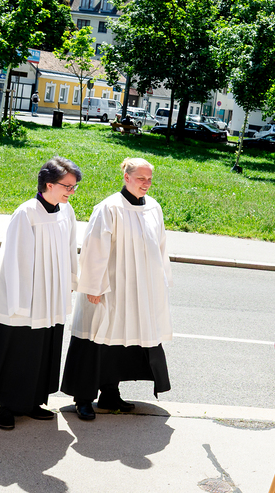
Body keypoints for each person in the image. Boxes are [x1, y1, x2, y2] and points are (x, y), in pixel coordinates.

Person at [0, 157, 82, 430]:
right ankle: (7, 406)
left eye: (74, 187)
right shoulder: (27, 213)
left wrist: (70, 281)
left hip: (52, 295)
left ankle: (33, 401)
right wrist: (20, 300)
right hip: (27, 297)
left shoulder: (66, 211)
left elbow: (71, 248)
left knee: (44, 348)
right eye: (67, 186)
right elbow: (15, 260)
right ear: (49, 184)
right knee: (19, 350)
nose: (71, 191)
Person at [61, 157, 173, 420]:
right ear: (126, 177)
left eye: (149, 179)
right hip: (109, 288)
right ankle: (83, 398)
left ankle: (110, 394)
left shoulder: (153, 208)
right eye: (141, 178)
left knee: (120, 342)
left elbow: (161, 247)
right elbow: (94, 250)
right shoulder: (109, 208)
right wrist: (93, 286)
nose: (146, 183)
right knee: (97, 339)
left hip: (138, 290)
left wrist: (162, 282)